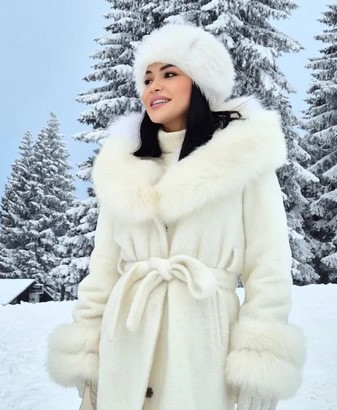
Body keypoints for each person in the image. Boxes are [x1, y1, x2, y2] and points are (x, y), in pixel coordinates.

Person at [47, 23, 305, 410]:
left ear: (201, 82)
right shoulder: (121, 167)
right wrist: (87, 353)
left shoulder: (243, 158)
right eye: (147, 78)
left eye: (169, 74)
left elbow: (268, 268)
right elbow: (103, 271)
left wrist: (259, 363)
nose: (154, 86)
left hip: (203, 345)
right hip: (125, 344)